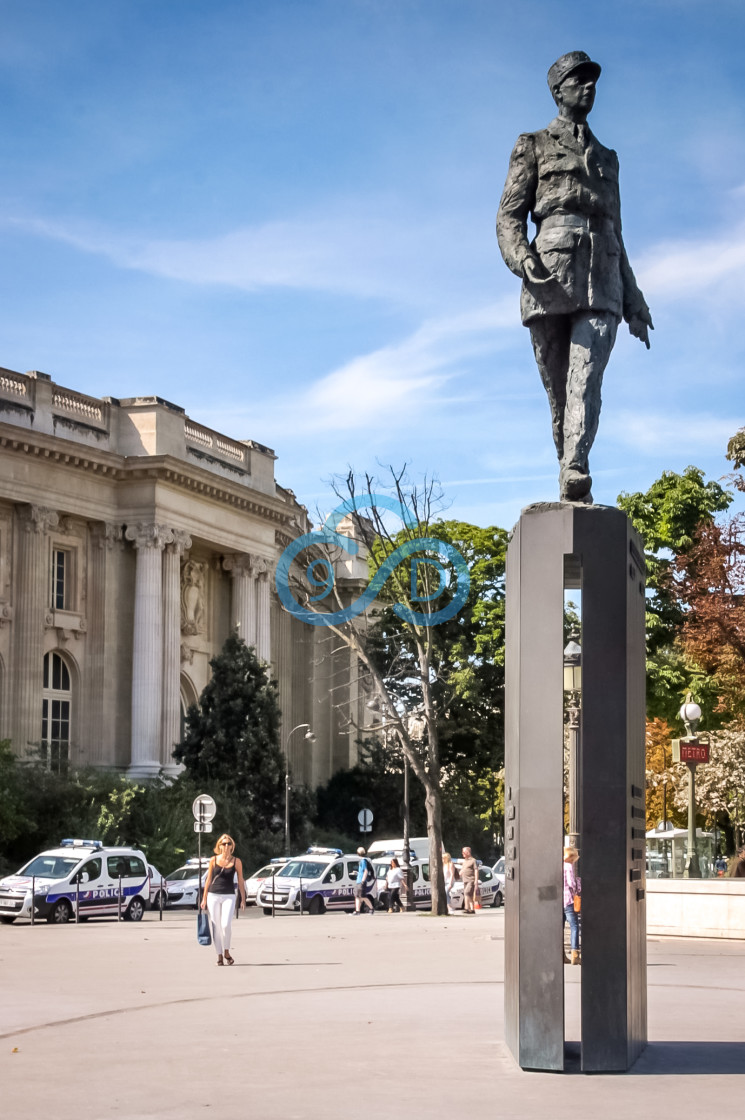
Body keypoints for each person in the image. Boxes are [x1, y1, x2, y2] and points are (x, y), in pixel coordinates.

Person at [497, 51, 653, 504]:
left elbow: (618, 233)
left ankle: (576, 467)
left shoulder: (608, 158)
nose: (588, 88)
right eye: (578, 80)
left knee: (586, 379)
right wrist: (521, 258)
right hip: (549, 277)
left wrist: (634, 299)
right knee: (560, 392)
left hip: (602, 277)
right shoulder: (534, 145)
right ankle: (568, 465)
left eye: (592, 81)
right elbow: (508, 218)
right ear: (558, 91)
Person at [201, 834, 246, 965]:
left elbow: (241, 880)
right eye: (224, 843)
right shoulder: (213, 860)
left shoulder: (236, 861)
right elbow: (208, 879)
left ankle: (226, 951)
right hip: (213, 895)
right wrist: (204, 899)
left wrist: (243, 898)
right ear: (219, 846)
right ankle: (219, 955)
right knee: (216, 926)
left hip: (229, 895)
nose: (226, 846)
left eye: (229, 844)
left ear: (232, 846)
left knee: (225, 924)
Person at [563, 845, 581, 965]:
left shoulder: (559, 865)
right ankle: (575, 954)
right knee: (574, 926)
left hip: (560, 900)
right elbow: (571, 883)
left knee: (560, 927)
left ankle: (562, 954)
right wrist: (577, 887)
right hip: (569, 900)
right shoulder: (569, 866)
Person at [353, 846, 376, 914]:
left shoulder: (363, 861)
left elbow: (365, 871)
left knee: (362, 896)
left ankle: (371, 908)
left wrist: (363, 880)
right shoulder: (362, 860)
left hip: (361, 881)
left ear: (358, 853)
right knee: (357, 896)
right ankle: (357, 911)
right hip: (359, 881)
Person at [460, 847, 478, 914]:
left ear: (468, 852)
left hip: (471, 880)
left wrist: (476, 881)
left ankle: (466, 908)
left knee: (466, 893)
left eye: (463, 852)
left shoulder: (473, 860)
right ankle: (472, 909)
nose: (462, 854)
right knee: (469, 895)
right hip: (465, 880)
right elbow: (463, 869)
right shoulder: (465, 861)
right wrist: (459, 874)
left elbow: (476, 870)